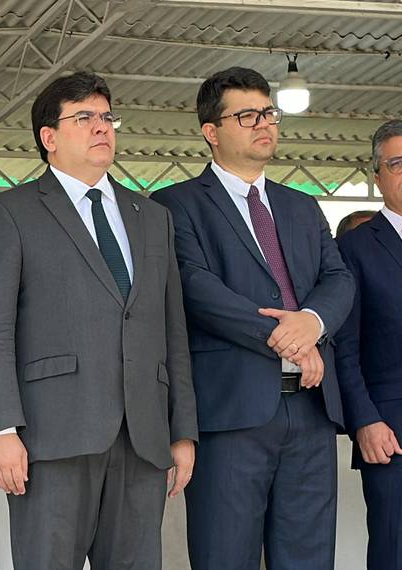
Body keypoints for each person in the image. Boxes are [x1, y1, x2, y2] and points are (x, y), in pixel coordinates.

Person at [0, 71, 197, 570]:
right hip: (51, 437)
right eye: (84, 117)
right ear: (48, 138)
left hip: (143, 438)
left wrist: (182, 430)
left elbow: (171, 331)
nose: (101, 127)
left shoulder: (152, 216)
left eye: (107, 117)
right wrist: (1, 429)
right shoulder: (10, 213)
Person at [151, 67, 355, 570]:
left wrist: (312, 322)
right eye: (247, 116)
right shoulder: (175, 205)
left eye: (268, 113)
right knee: (226, 556)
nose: (264, 123)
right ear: (211, 131)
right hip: (231, 413)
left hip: (310, 410)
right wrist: (290, 339)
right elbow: (197, 289)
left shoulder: (301, 205)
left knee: (309, 558)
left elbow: (338, 279)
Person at [335, 119, 402, 569]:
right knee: (394, 549)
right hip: (391, 431)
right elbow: (344, 346)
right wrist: (364, 420)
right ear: (376, 176)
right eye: (398, 163)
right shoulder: (354, 248)